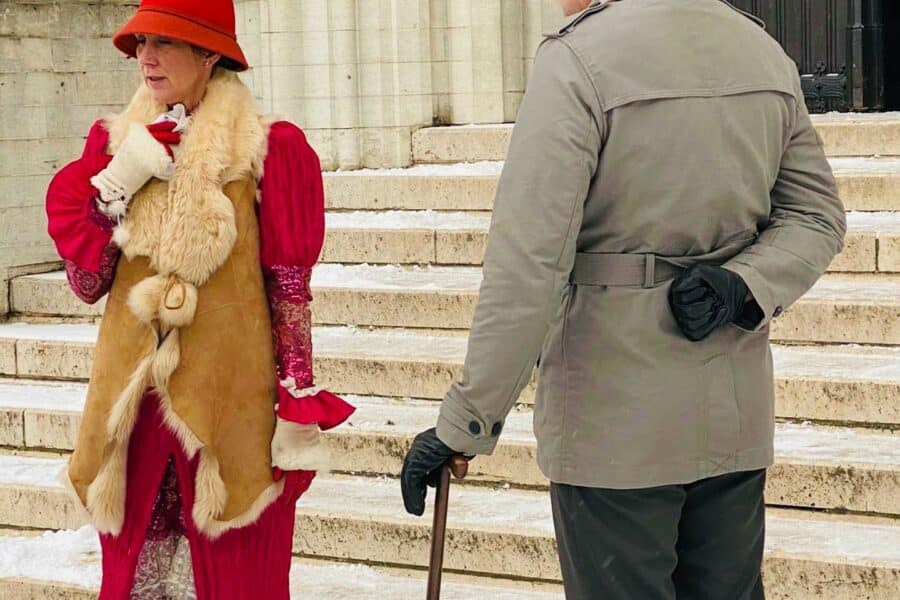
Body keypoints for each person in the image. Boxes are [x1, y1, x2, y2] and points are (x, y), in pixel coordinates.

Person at [400, 0, 846, 598]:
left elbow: (529, 265)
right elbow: (817, 217)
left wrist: (466, 423)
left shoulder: (577, 60)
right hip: (731, 420)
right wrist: (745, 283)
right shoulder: (760, 50)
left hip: (612, 428)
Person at [45, 1, 355, 597]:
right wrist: (116, 184)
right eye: (140, 43)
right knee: (135, 580)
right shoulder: (112, 144)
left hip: (228, 413)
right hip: (131, 418)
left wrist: (296, 397)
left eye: (165, 42)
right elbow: (86, 286)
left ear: (210, 52)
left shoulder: (269, 149)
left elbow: (289, 289)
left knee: (236, 577)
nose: (147, 57)